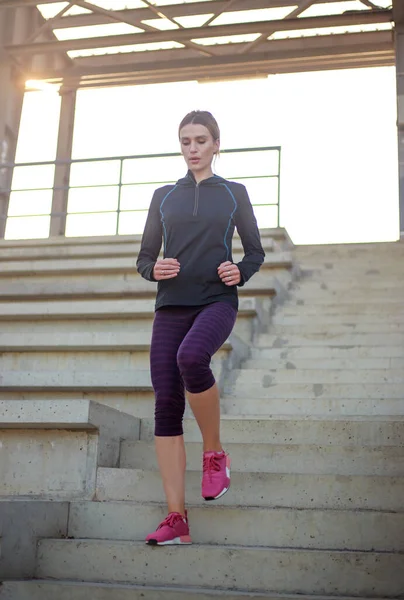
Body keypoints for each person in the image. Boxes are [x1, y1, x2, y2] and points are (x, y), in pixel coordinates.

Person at [136, 110, 265, 546]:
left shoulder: (233, 193)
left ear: (216, 145)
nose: (192, 148)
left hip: (215, 300)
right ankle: (177, 519)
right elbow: (144, 258)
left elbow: (255, 251)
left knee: (192, 357)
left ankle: (215, 453)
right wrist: (155, 269)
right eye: (186, 141)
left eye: (201, 140)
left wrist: (239, 271)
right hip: (170, 305)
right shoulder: (163, 196)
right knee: (166, 404)